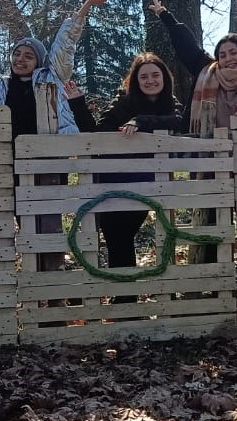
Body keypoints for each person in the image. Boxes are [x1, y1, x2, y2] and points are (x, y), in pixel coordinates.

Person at [64, 53, 187, 271]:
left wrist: (141, 121)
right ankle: (124, 293)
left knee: (121, 232)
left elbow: (178, 120)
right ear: (136, 81)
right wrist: (78, 104)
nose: (150, 81)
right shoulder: (124, 100)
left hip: (145, 180)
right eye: (144, 76)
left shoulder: (171, 103)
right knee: (115, 234)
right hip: (112, 178)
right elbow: (97, 133)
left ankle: (124, 293)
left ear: (164, 78)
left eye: (155, 75)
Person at [0, 0, 114, 137]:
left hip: (49, 163)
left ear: (38, 62)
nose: (20, 59)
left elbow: (65, 43)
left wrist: (84, 9)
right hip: (6, 164)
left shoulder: (53, 77)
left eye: (29, 56)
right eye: (17, 54)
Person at [149, 0, 237, 134]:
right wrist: (164, 15)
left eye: (233, 53)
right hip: (207, 149)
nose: (228, 58)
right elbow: (187, 46)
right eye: (222, 55)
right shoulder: (207, 71)